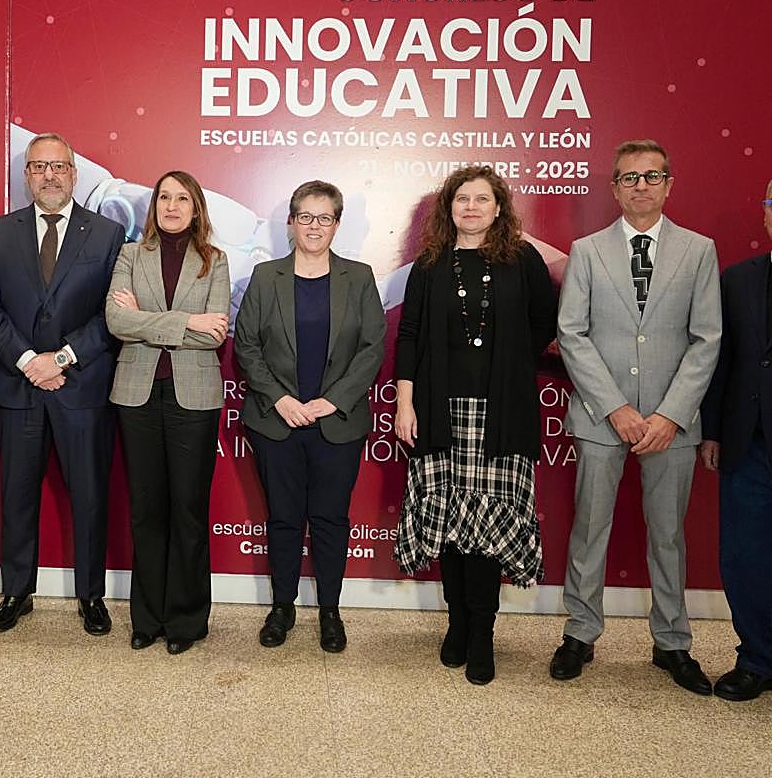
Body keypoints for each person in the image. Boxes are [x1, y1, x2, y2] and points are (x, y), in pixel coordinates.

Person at [552, 139, 721, 694]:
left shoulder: (699, 251)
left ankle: (672, 642)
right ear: (614, 188)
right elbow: (571, 334)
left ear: (669, 184)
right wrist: (617, 408)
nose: (641, 186)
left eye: (652, 176)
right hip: (604, 417)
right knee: (589, 527)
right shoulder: (587, 250)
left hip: (671, 424)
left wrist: (671, 415)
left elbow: (706, 340)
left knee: (668, 535)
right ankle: (580, 631)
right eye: (629, 178)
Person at [391, 166, 556, 685]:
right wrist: (405, 403)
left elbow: (543, 322)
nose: (471, 207)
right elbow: (410, 336)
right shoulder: (431, 264)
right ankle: (456, 624)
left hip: (500, 414)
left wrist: (506, 365)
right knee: (450, 526)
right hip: (438, 410)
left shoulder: (522, 260)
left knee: (485, 530)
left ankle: (481, 634)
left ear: (499, 207)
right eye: (462, 199)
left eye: (482, 199)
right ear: (449, 208)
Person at [0, 132, 126, 636]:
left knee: (89, 496)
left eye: (58, 166)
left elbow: (115, 314)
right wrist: (26, 360)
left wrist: (60, 357)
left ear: (75, 172)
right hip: (19, 388)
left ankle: (91, 596)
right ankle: (17, 592)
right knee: (17, 496)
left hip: (80, 388)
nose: (49, 176)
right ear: (26, 175)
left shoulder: (106, 234)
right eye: (38, 167)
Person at [234, 180, 386, 653]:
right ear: (291, 223)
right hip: (276, 420)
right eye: (306, 216)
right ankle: (282, 608)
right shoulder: (265, 276)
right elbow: (247, 346)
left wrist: (333, 400)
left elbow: (372, 347)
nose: (314, 226)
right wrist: (281, 400)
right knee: (282, 519)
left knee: (329, 520)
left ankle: (330, 611)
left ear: (337, 224)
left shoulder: (359, 277)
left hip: (335, 424)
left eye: (324, 218)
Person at [105, 171, 230, 655]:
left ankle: (186, 621)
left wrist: (148, 321)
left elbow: (215, 333)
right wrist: (186, 321)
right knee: (146, 511)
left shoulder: (214, 262)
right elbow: (117, 322)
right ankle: (147, 618)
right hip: (136, 395)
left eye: (183, 199)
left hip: (193, 397)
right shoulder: (130, 255)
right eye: (164, 198)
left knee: (188, 511)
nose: (172, 206)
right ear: (153, 206)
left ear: (196, 208)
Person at [698, 177, 772, 702]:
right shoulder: (738, 279)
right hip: (750, 445)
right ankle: (757, 659)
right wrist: (713, 432)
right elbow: (720, 363)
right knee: (745, 557)